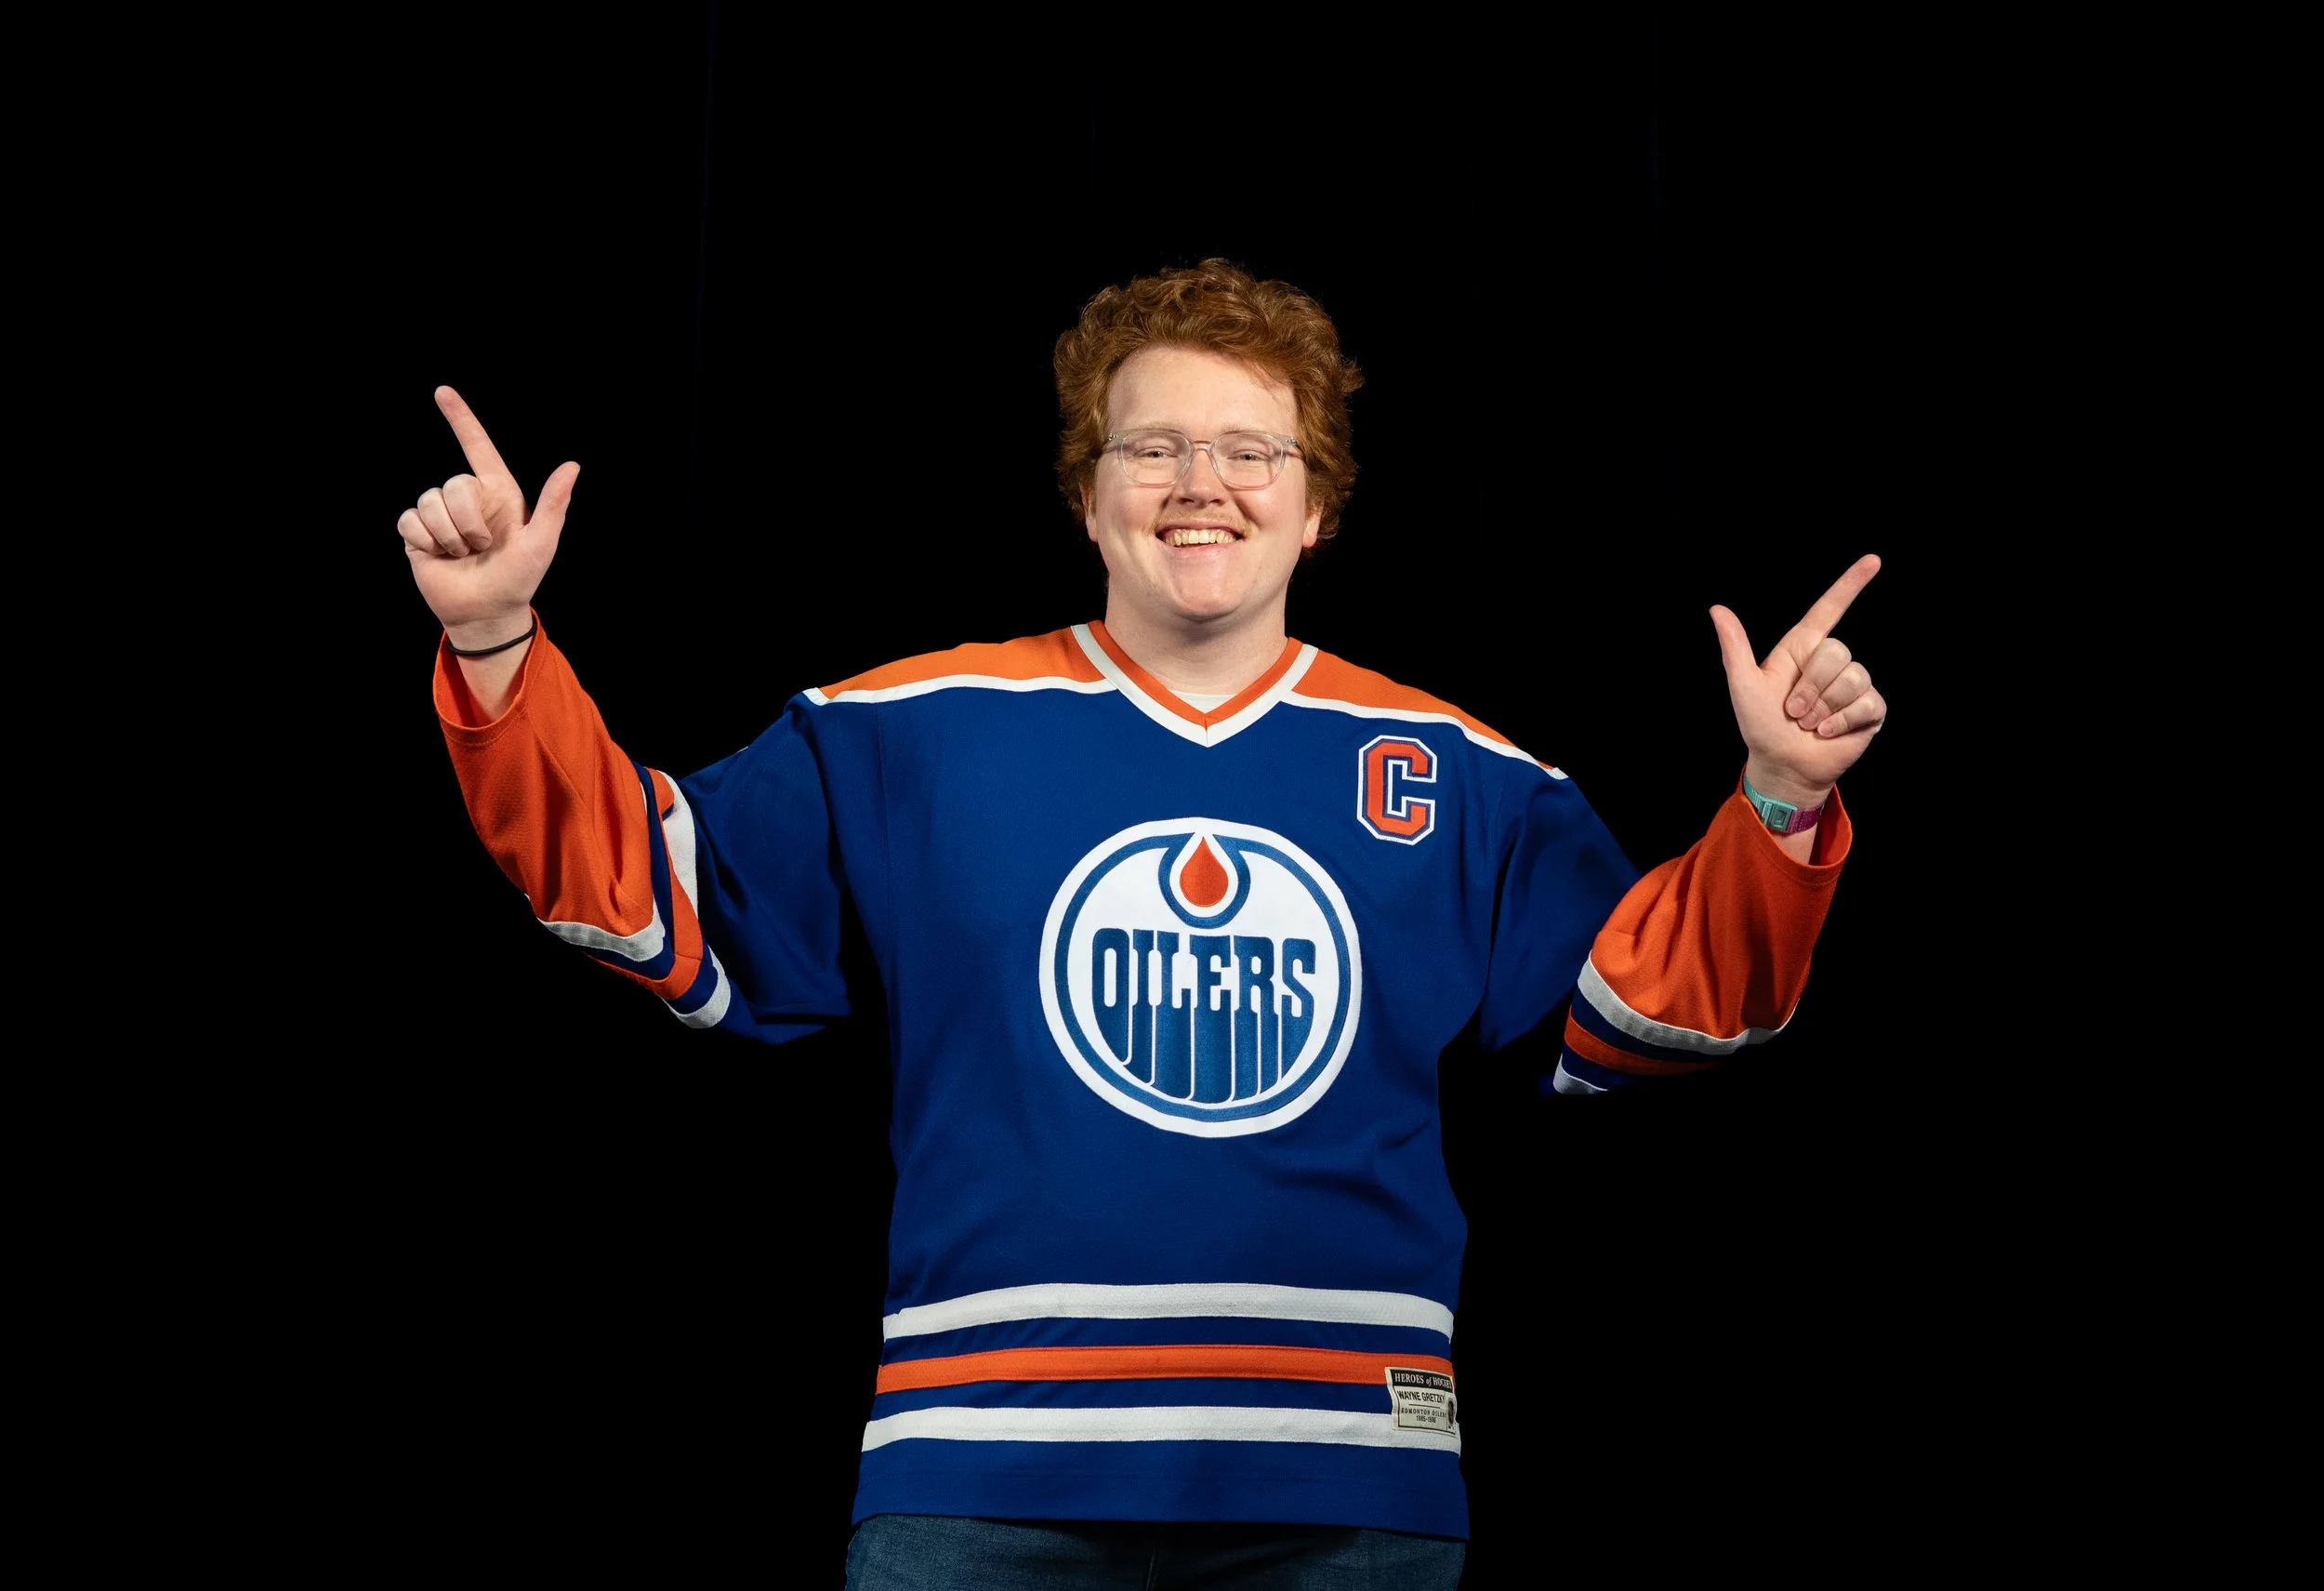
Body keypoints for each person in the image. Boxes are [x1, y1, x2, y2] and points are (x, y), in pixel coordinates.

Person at [399, 259, 1885, 1587]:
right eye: (1154, 445)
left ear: (1318, 505)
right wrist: (493, 636)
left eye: (1253, 449)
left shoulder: (1459, 771)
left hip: (1349, 1479)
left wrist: (1776, 799)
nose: (1200, 481)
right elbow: (649, 879)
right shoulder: (907, 728)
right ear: (1086, 491)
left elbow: (1656, 999)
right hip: (980, 1471)